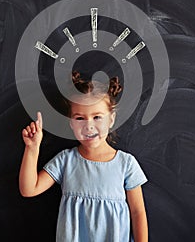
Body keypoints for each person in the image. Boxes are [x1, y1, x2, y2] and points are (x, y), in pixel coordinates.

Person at [19, 71, 148, 242]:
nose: (89, 126)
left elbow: (138, 212)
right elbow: (29, 189)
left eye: (97, 117)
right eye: (80, 118)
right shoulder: (66, 160)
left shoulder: (126, 164)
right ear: (71, 123)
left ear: (111, 119)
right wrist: (32, 148)